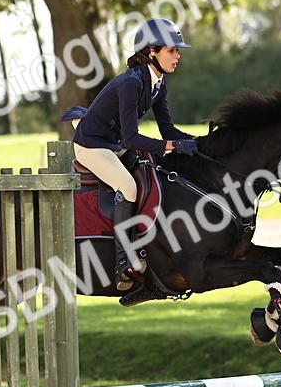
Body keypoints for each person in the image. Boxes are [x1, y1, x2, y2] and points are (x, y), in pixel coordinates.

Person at [72, 17, 199, 290]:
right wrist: (174, 147)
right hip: (92, 146)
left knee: (153, 173)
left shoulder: (158, 82)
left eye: (178, 50)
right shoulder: (131, 83)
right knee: (128, 186)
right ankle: (123, 263)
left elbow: (167, 130)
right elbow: (132, 138)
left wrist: (200, 142)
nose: (177, 56)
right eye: (171, 50)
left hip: (114, 145)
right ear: (151, 51)